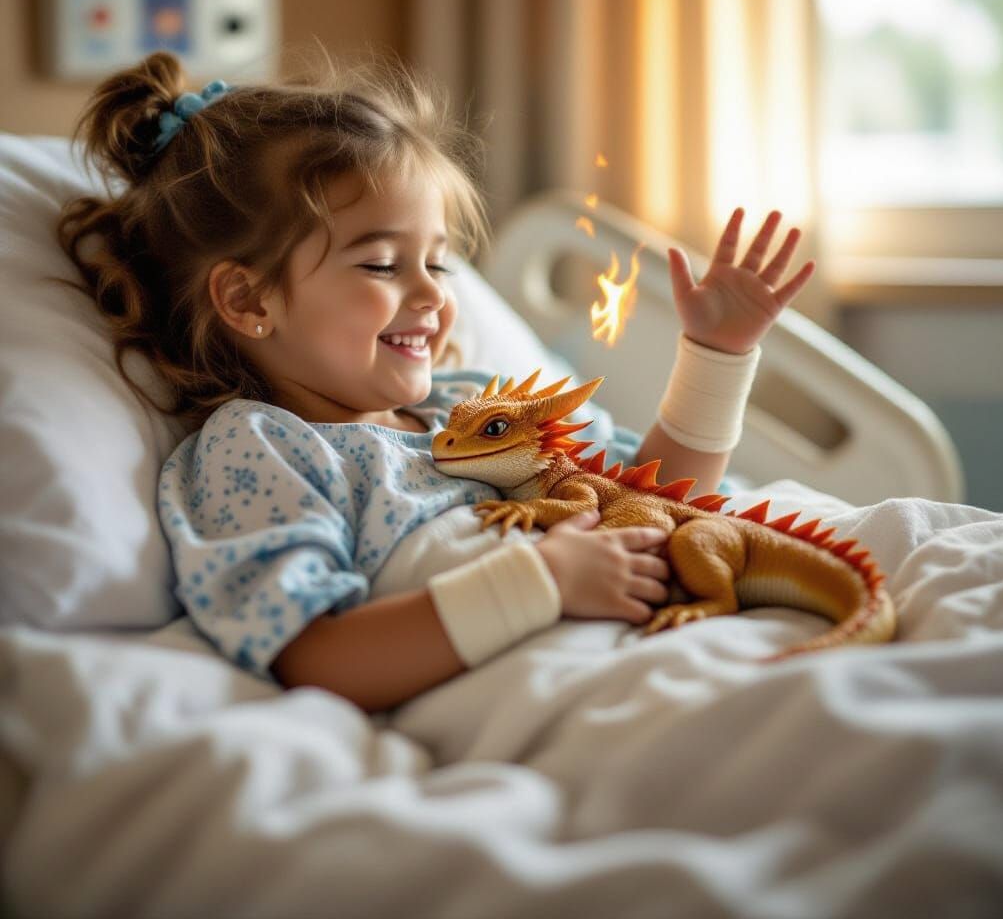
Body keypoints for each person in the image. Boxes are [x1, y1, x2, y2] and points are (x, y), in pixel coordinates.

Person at [57, 50, 814, 713]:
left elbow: (658, 507)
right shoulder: (264, 452)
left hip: (680, 646)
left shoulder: (480, 403)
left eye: (439, 261)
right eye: (383, 265)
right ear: (249, 300)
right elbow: (314, 656)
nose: (431, 296)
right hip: (565, 691)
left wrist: (716, 357)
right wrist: (541, 580)